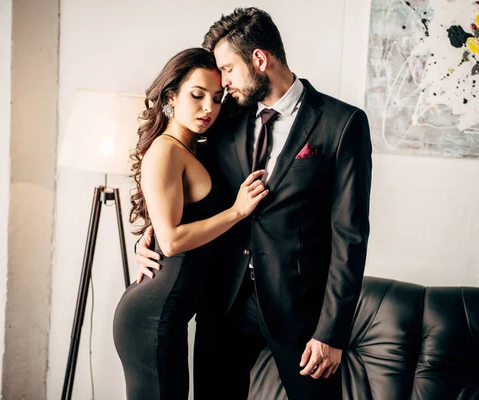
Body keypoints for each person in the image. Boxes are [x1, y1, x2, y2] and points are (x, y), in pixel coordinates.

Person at [136, 7, 372, 399]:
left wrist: (331, 332)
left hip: (301, 310)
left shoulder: (341, 123)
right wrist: (151, 234)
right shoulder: (225, 116)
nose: (222, 84)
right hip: (222, 302)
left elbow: (350, 234)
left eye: (227, 69)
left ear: (259, 60)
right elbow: (189, 187)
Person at [112, 47, 269, 400]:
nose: (209, 108)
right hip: (151, 316)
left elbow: (175, 225)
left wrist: (145, 242)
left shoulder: (195, 148)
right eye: (197, 96)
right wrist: (237, 211)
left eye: (216, 98)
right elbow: (170, 241)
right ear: (171, 97)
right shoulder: (166, 150)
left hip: (173, 314)